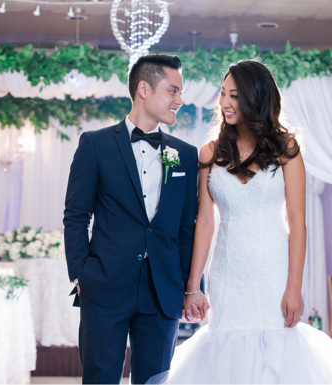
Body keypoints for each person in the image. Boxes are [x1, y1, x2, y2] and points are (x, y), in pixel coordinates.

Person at [149, 59, 332, 383]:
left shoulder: (286, 149)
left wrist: (294, 288)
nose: (225, 103)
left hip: (273, 271)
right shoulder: (209, 153)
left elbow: (298, 223)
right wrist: (193, 288)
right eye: (223, 94)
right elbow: (205, 223)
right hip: (227, 274)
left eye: (235, 95)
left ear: (256, 99)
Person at [63, 54, 209, 384]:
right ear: (144, 89)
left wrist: (191, 287)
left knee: (155, 380)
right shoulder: (95, 145)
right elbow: (76, 216)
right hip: (104, 286)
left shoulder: (186, 154)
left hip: (162, 291)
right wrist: (81, 274)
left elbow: (187, 228)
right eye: (173, 91)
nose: (179, 100)